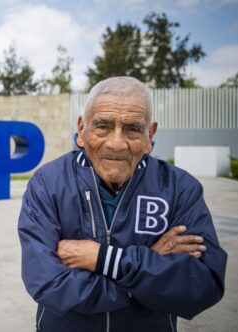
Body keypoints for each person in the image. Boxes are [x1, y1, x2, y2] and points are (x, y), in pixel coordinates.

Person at [18, 76, 227, 331]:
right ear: (82, 129)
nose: (116, 143)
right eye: (103, 126)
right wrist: (148, 267)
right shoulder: (47, 183)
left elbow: (202, 286)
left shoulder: (180, 189)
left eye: (132, 129)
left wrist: (103, 258)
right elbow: (48, 284)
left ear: (150, 135)